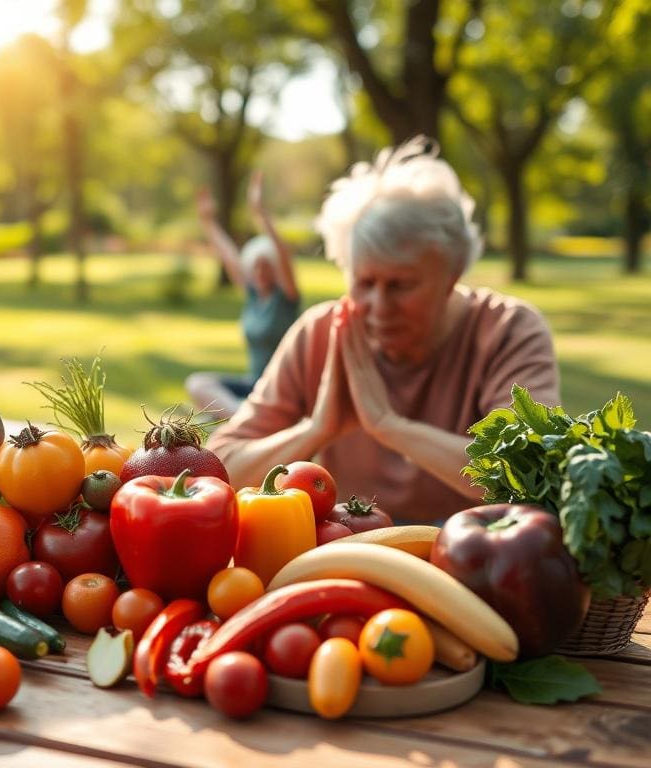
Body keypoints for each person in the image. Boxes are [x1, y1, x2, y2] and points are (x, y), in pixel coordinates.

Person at [207, 137, 560, 524]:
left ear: (452, 275)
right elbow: (222, 469)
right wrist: (315, 429)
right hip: (348, 553)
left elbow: (532, 476)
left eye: (401, 285)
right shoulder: (321, 334)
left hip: (477, 559)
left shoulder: (508, 331)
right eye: (364, 282)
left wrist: (390, 427)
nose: (378, 306)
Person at [185, 171, 301, 418]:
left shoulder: (286, 298)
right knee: (198, 384)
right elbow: (229, 255)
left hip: (283, 390)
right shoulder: (252, 296)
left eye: (267, 266)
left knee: (209, 414)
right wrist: (208, 222)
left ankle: (238, 419)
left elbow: (283, 254)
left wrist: (261, 213)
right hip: (254, 386)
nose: (260, 272)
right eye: (255, 266)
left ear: (276, 269)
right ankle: (242, 416)